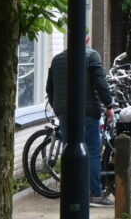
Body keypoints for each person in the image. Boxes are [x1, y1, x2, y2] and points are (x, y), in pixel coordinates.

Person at [45, 35, 114, 207]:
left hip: (64, 112)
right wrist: (109, 104)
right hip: (86, 111)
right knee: (92, 150)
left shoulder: (57, 59)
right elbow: (100, 82)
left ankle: (72, 193)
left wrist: (57, 107)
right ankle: (95, 195)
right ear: (87, 39)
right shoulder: (92, 56)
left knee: (70, 149)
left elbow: (49, 88)